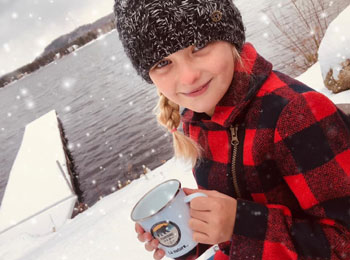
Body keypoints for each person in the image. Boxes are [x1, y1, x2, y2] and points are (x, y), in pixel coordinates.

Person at [113, 0, 350, 259]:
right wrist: (190, 230)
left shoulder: (295, 114)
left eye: (199, 46)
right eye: (163, 63)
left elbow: (344, 243)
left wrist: (239, 224)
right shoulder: (196, 118)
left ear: (230, 36)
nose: (188, 77)